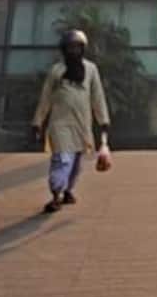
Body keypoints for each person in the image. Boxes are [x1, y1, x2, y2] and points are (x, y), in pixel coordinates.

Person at [31, 28, 111, 214]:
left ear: (82, 49)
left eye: (77, 47)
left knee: (76, 162)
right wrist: (37, 122)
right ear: (64, 50)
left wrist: (104, 122)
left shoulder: (91, 69)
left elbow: (98, 97)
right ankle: (56, 194)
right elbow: (45, 99)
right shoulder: (56, 71)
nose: (73, 51)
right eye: (70, 48)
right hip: (60, 125)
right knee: (62, 159)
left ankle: (67, 190)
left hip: (82, 125)